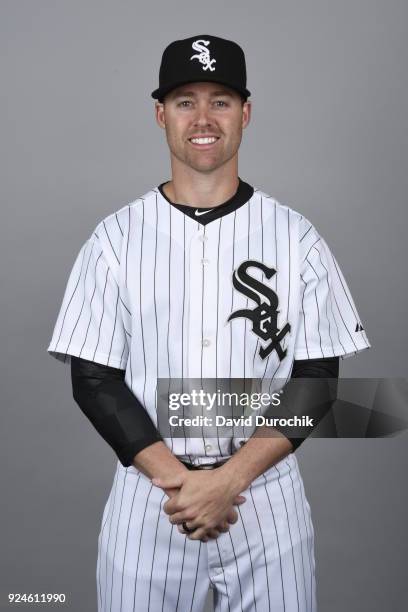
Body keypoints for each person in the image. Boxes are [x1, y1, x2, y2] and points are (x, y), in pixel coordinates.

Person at [47, 34, 371, 611]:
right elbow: (93, 379)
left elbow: (318, 377)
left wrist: (228, 480)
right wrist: (184, 484)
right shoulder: (114, 239)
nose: (203, 117)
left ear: (245, 114)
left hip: (264, 500)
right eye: (185, 100)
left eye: (220, 100)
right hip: (151, 501)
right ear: (160, 114)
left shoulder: (298, 239)